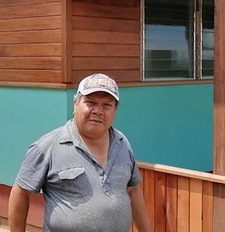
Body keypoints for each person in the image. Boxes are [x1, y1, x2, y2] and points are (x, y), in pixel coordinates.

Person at [8, 73, 153, 232]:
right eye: (90, 103)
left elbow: (133, 190)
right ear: (75, 104)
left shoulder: (122, 143)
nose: (98, 111)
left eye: (107, 105)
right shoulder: (47, 146)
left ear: (115, 110)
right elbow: (20, 193)